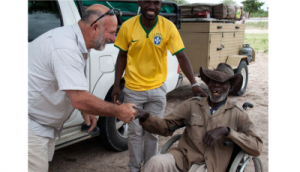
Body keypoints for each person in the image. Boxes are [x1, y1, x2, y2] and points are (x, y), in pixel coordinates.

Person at [28, 4, 137, 172]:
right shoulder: (65, 47)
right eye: (111, 32)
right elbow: (79, 98)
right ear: (94, 28)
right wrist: (118, 111)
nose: (114, 39)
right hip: (29, 126)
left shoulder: (73, 42)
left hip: (39, 124)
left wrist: (85, 109)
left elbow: (70, 87)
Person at [112, 0, 207, 171]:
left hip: (157, 91)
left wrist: (194, 83)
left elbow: (181, 57)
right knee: (134, 134)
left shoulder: (168, 27)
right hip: (133, 90)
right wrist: (116, 85)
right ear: (140, 2)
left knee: (153, 132)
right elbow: (121, 57)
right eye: (147, 2)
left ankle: (150, 167)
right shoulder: (128, 26)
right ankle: (134, 168)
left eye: (156, 2)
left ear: (160, 5)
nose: (151, 6)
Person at [134, 63, 263, 172]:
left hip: (211, 165)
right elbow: (166, 127)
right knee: (156, 163)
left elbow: (256, 146)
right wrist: (146, 116)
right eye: (213, 81)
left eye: (222, 82)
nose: (216, 85)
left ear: (230, 87)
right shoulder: (193, 104)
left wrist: (227, 131)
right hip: (184, 158)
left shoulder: (237, 113)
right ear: (209, 83)